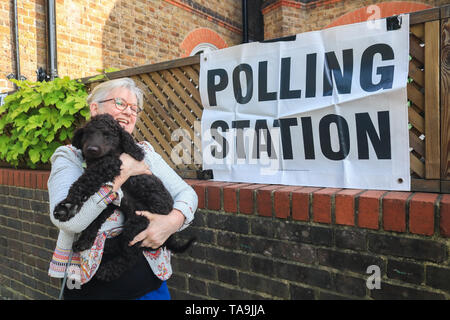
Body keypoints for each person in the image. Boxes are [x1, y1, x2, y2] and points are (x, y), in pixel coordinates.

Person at [47, 77, 198, 300]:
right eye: (120, 103)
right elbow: (68, 221)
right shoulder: (70, 157)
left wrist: (171, 222)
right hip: (89, 290)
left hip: (149, 287)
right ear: (94, 108)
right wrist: (122, 172)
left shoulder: (144, 153)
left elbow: (187, 194)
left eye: (134, 108)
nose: (128, 112)